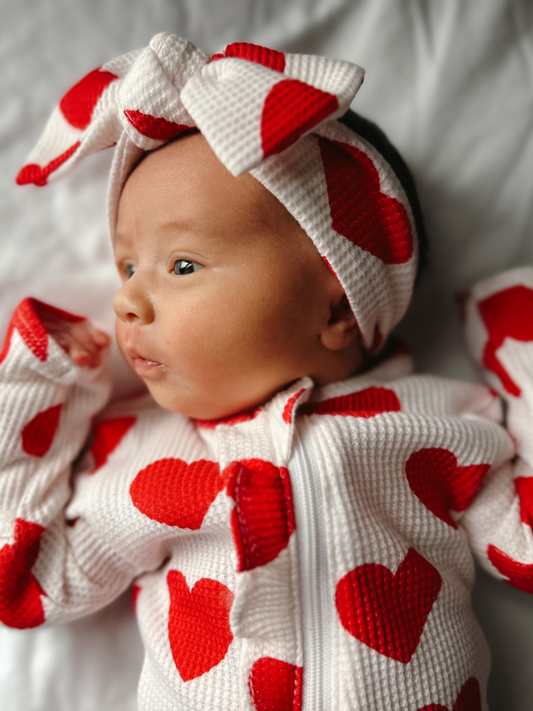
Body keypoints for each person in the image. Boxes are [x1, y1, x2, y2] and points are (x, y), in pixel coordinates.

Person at [2, 34, 533, 711]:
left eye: (182, 265)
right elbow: (27, 584)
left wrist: (518, 339)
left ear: (336, 306)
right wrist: (37, 386)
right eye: (128, 267)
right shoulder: (143, 458)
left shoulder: (439, 423)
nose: (125, 299)